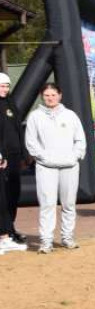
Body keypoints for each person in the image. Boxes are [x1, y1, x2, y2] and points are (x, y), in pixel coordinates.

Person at [24, 83, 87, 253]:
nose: (50, 98)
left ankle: (67, 237)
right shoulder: (35, 116)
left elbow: (80, 139)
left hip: (69, 166)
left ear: (60, 95)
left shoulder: (70, 115)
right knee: (47, 204)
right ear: (42, 97)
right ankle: (46, 241)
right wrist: (44, 158)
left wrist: (75, 156)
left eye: (53, 95)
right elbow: (31, 142)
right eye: (46, 95)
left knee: (68, 204)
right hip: (45, 167)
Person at [0, 72, 27, 246]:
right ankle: (3, 233)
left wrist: (24, 154)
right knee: (1, 195)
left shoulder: (10, 104)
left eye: (7, 86)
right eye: (2, 86)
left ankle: (10, 229)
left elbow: (18, 130)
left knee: (13, 193)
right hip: (2, 157)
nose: (5, 89)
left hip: (15, 155)